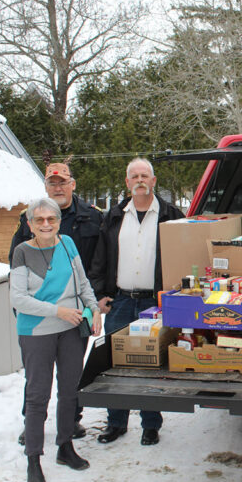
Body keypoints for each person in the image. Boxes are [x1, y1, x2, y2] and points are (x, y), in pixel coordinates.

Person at [89, 157, 184, 446]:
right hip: (119, 302)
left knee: (150, 365)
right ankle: (116, 423)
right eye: (134, 176)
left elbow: (180, 256)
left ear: (154, 181)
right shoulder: (114, 216)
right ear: (127, 182)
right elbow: (99, 260)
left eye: (145, 175)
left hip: (153, 304)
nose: (140, 180)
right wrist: (99, 294)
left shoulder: (171, 215)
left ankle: (151, 425)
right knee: (116, 364)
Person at [9, 197, 102, 482]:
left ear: (59, 222)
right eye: (39, 220)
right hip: (37, 331)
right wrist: (58, 311)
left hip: (72, 329)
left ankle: (65, 447)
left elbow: (83, 282)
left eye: (52, 219)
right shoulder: (22, 252)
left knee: (70, 391)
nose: (46, 224)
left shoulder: (68, 244)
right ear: (29, 225)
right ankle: (33, 458)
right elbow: (18, 299)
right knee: (37, 397)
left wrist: (94, 308)